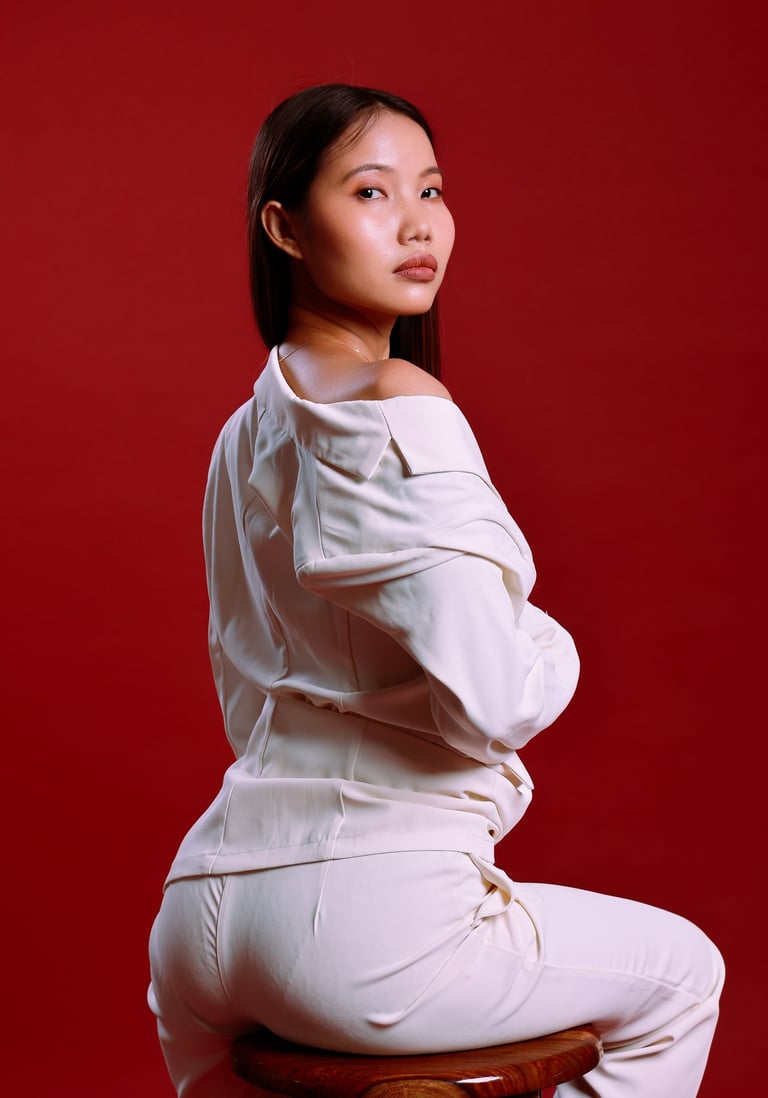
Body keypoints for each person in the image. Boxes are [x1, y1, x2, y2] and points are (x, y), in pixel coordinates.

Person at [147, 84, 724, 1098]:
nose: (419, 224)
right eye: (371, 191)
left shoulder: (243, 435)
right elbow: (498, 699)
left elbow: (246, 693)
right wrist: (552, 642)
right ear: (285, 228)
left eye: (432, 189)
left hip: (201, 921)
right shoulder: (400, 400)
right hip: (362, 925)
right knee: (682, 976)